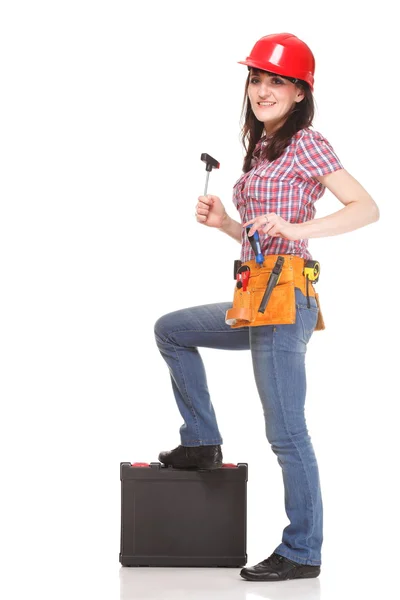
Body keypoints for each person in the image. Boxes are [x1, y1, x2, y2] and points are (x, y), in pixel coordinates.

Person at [154, 33, 379, 582]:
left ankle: (302, 551)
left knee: (285, 431)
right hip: (255, 296)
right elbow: (257, 237)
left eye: (277, 80)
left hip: (286, 298)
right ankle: (202, 441)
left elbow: (366, 208)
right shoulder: (261, 151)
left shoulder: (309, 143)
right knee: (172, 331)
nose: (263, 89)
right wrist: (227, 223)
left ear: (301, 92)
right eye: (257, 78)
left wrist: (297, 226)